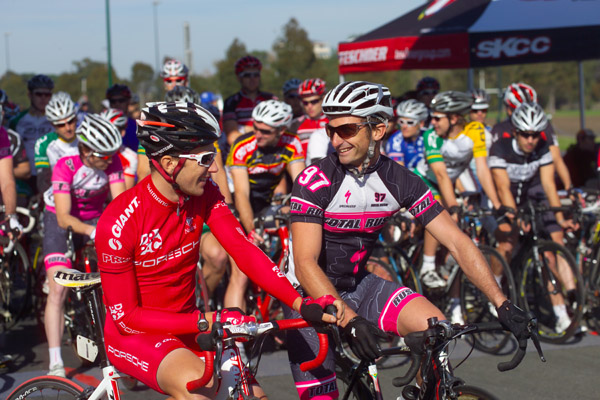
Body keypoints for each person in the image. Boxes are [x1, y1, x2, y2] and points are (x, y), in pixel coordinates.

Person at [285, 81, 527, 399]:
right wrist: (352, 321)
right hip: (308, 297)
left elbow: (457, 242)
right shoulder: (315, 180)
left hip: (360, 285)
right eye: (331, 130)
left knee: (436, 330)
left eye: (346, 130)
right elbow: (304, 264)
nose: (336, 140)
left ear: (378, 129)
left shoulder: (400, 180)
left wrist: (502, 303)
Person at [95, 101, 335, 399]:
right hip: (136, 335)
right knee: (202, 389)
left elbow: (243, 249)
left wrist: (300, 302)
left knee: (252, 396)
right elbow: (127, 318)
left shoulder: (205, 193)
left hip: (191, 324)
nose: (215, 168)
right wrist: (205, 320)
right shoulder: (118, 221)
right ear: (169, 163)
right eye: (206, 158)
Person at [43, 114, 125, 377]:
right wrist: (92, 231)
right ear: (86, 151)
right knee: (57, 288)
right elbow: (63, 217)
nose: (110, 160)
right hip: (60, 219)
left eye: (113, 154)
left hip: (94, 217)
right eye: (104, 155)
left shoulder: (112, 162)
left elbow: (120, 204)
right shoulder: (66, 166)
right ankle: (55, 362)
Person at [489, 102, 578, 333]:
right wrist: (515, 218)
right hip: (503, 201)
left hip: (529, 201)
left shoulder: (542, 148)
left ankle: (561, 314)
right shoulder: (500, 148)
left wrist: (559, 217)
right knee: (507, 243)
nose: (531, 140)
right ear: (515, 132)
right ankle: (493, 287)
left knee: (547, 256)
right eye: (526, 134)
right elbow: (503, 187)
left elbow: (548, 185)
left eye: (535, 135)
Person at [413, 91, 502, 299]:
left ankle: (449, 273)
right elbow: (441, 175)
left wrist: (497, 204)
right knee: (438, 211)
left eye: (437, 118)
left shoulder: (475, 130)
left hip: (452, 182)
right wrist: (453, 205)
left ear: (453, 118)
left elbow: (482, 170)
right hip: (426, 181)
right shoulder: (431, 136)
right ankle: (427, 266)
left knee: (464, 225)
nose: (432, 122)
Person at [226, 99, 305, 310]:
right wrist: (251, 231)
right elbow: (241, 194)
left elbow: (301, 186)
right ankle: (233, 327)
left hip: (266, 202)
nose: (258, 134)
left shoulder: (292, 142)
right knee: (241, 273)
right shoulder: (243, 145)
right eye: (255, 127)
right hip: (238, 205)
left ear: (281, 130)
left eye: (265, 131)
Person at [492, 83, 573, 193]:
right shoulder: (500, 130)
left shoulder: (543, 126)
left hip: (536, 183)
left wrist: (569, 187)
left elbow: (556, 158)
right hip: (509, 185)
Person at [9, 75, 55, 191]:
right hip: (24, 177)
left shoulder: (56, 120)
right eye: (39, 94)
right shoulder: (17, 121)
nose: (43, 98)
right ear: (30, 95)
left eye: (47, 95)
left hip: (50, 176)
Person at [34, 92, 79, 201]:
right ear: (52, 124)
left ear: (76, 118)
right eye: (61, 124)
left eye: (71, 121)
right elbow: (43, 180)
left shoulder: (86, 139)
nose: (68, 128)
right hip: (57, 195)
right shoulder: (43, 144)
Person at [222, 55, 275, 146]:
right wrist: (264, 133)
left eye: (256, 75)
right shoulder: (231, 102)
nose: (252, 79)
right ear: (239, 77)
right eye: (247, 75)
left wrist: (244, 129)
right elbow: (233, 138)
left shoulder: (270, 99)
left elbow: (276, 133)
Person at [100, 108, 139, 189]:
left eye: (111, 130)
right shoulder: (88, 150)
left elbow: (124, 193)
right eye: (102, 128)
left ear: (122, 132)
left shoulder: (130, 158)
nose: (106, 133)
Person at [384, 99, 429, 168]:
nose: (404, 126)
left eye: (410, 122)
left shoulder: (429, 135)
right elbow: (399, 171)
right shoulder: (396, 140)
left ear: (421, 123)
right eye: (401, 122)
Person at [296, 78, 328, 155]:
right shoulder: (295, 124)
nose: (309, 106)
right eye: (305, 103)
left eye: (314, 101)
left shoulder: (332, 120)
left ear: (323, 98)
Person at [106, 84, 139, 152]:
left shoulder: (136, 126)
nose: (117, 104)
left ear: (128, 102)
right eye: (113, 101)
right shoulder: (104, 124)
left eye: (121, 100)